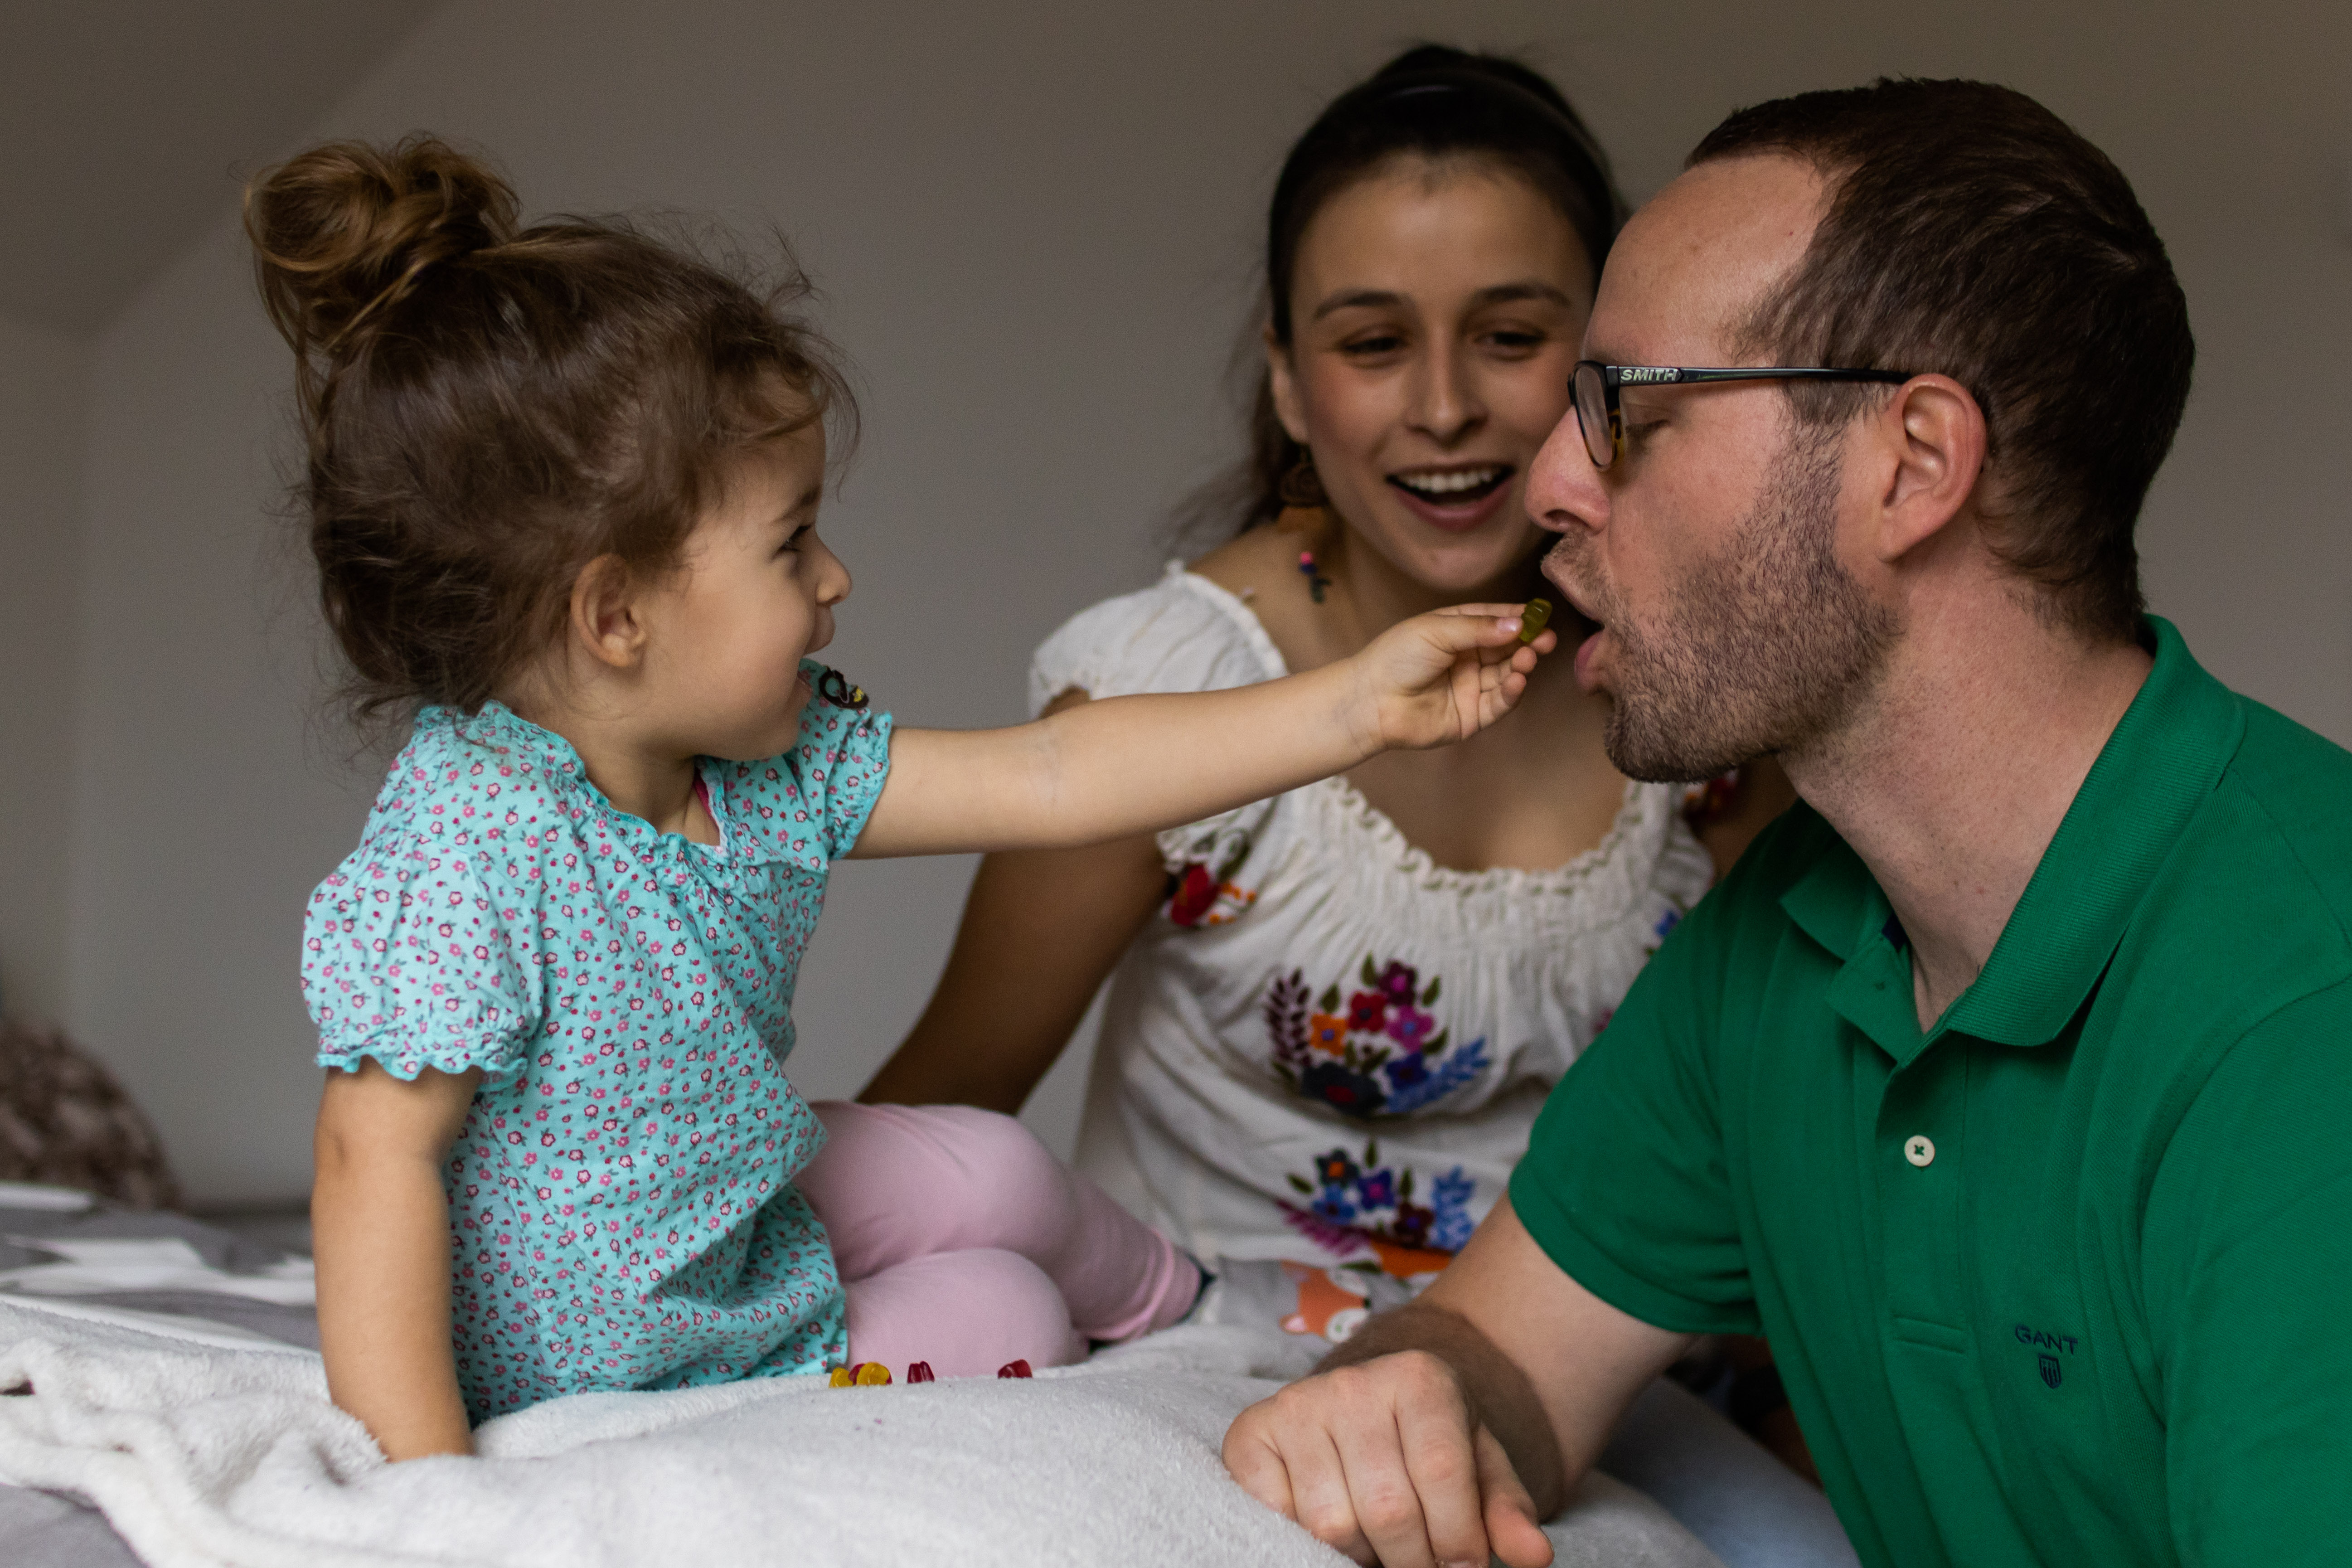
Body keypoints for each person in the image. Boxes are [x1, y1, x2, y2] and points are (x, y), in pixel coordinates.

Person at [252, 136, 1555, 1461]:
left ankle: (1206, 1313)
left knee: (998, 1168)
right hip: (626, 1352)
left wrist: (1351, 707)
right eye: (790, 543)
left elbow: (1055, 774)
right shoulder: (468, 849)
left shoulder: (767, 768)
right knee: (1011, 1308)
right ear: (616, 615)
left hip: (729, 1212)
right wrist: (433, 1492)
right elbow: (372, 1159)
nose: (835, 578)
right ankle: (1098, 1335)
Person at [1222, 75, 2352, 1568]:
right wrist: (1405, 1404)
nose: (1550, 480)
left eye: (1628, 411)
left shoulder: (2307, 1013)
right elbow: (1502, 1353)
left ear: (1915, 463)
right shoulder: (1793, 928)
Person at [862, 42, 1787, 1290]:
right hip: (1217, 1368)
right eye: (1373, 344)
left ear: (1604, 362)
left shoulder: (1699, 686)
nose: (1445, 407)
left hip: (1621, 1381)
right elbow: (926, 1138)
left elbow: (1786, 1139)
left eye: (1511, 335)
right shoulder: (1171, 694)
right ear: (1290, 382)